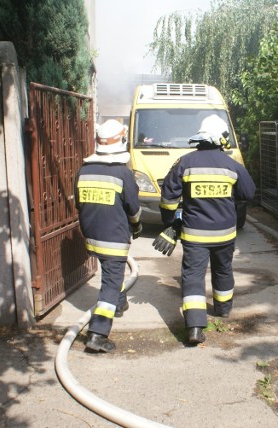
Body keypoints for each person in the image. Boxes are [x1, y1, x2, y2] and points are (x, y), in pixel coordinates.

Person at [153, 114, 256, 345]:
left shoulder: (184, 163)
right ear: (222, 139)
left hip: (194, 235)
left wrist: (171, 223)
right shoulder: (232, 165)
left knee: (193, 277)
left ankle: (195, 327)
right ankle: (224, 309)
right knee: (223, 270)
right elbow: (248, 194)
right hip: (225, 234)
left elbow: (168, 198)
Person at [75, 119, 142, 353]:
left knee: (111, 271)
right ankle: (97, 333)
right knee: (111, 282)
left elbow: (78, 204)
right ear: (121, 141)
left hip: (91, 236)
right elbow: (133, 208)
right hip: (113, 238)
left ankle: (119, 303)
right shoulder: (122, 173)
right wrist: (136, 225)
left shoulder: (83, 170)